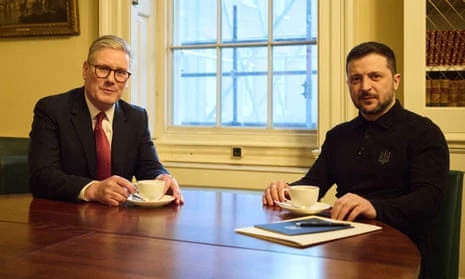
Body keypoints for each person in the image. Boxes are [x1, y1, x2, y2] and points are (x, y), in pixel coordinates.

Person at [262, 41, 449, 278]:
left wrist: (374, 207)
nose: (365, 87)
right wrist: (286, 191)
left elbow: (429, 200)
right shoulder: (338, 135)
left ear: (396, 81)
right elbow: (314, 184)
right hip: (343, 246)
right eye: (356, 79)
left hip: (403, 253)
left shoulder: (424, 132)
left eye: (375, 76)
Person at [28, 35, 183, 206]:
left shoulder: (136, 117)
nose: (111, 80)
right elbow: (41, 176)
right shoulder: (52, 110)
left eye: (120, 73)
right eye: (103, 69)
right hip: (65, 219)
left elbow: (148, 166)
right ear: (85, 69)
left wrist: (161, 178)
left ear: (127, 80)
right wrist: (93, 189)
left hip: (119, 222)